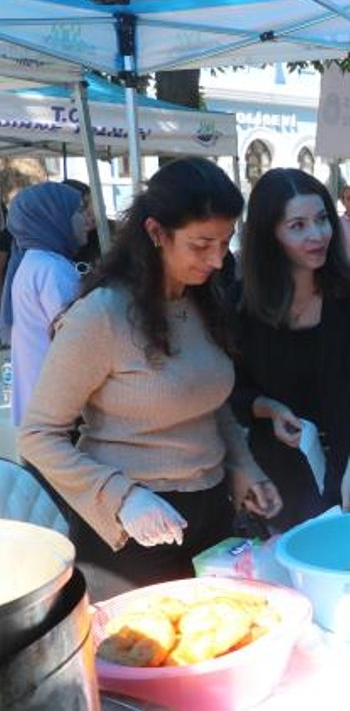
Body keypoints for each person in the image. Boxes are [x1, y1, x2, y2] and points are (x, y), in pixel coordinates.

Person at [18, 158, 282, 601]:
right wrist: (123, 497)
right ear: (156, 232)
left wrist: (242, 466)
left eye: (224, 243)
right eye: (201, 244)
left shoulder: (201, 301)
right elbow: (38, 436)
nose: (217, 260)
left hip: (211, 512)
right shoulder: (102, 315)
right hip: (132, 531)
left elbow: (209, 401)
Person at [232, 169, 350, 531]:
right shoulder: (241, 305)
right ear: (269, 234)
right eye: (298, 226)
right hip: (283, 483)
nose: (317, 235)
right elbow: (234, 390)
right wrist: (270, 409)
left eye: (322, 220)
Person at [1, 182, 86, 426]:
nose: (86, 218)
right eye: (79, 211)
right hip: (57, 410)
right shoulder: (53, 269)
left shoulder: (33, 261)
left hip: (38, 404)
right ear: (54, 218)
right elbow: (77, 338)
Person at [62, 178, 101, 272]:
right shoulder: (56, 251)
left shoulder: (107, 235)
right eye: (82, 208)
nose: (91, 212)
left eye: (94, 204)